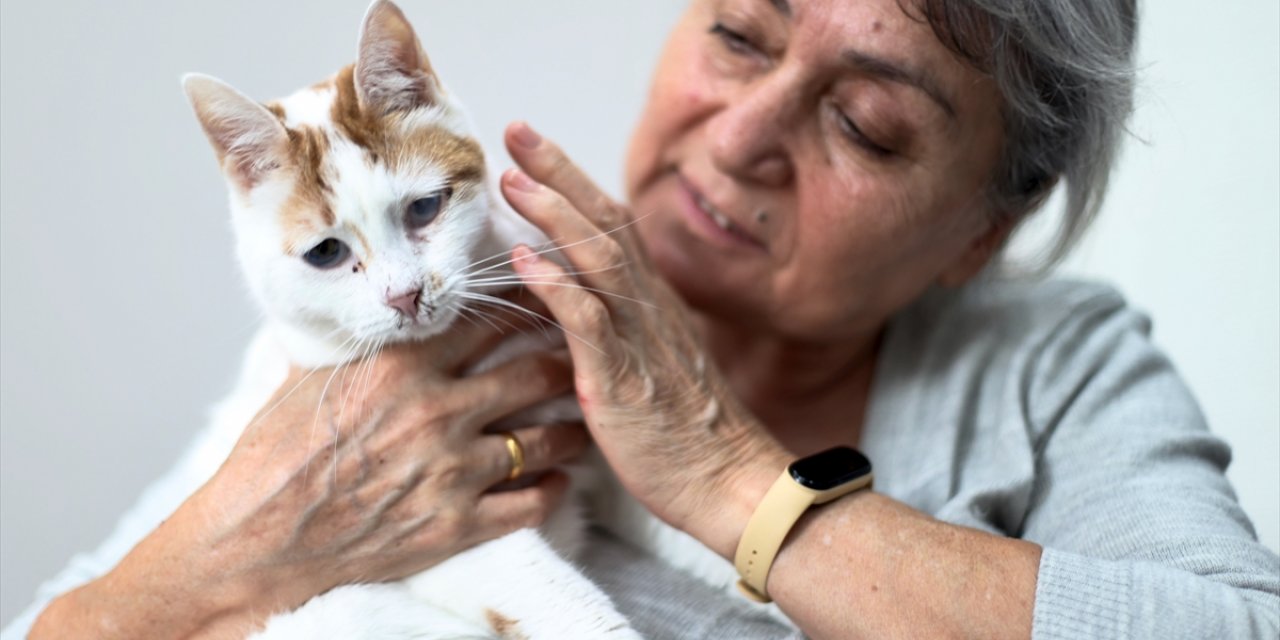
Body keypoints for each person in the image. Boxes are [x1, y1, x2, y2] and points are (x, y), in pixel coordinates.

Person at [9, 0, 1279, 638]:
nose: (741, 140)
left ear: (977, 234)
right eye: (736, 33)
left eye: (866, 124)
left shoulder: (1047, 367)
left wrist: (732, 481)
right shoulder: (420, 344)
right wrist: (221, 558)